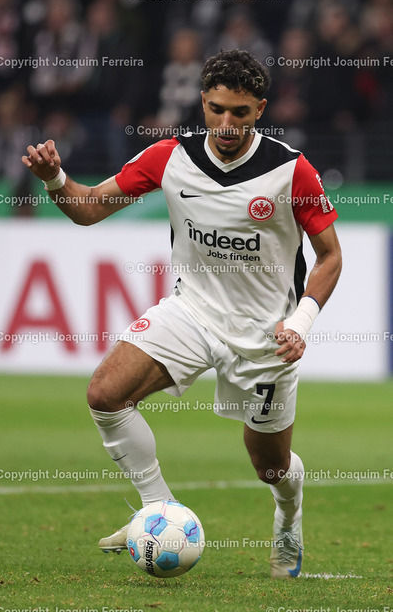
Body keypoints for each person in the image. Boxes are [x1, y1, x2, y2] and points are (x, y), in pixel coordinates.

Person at [22, 49, 342, 579]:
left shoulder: (291, 171)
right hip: (191, 312)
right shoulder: (170, 157)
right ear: (202, 102)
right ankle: (159, 510)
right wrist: (56, 179)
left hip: (266, 336)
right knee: (105, 394)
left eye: (240, 112)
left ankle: (288, 518)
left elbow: (330, 256)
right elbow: (89, 208)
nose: (227, 123)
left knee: (270, 466)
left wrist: (300, 322)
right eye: (217, 109)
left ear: (261, 110)